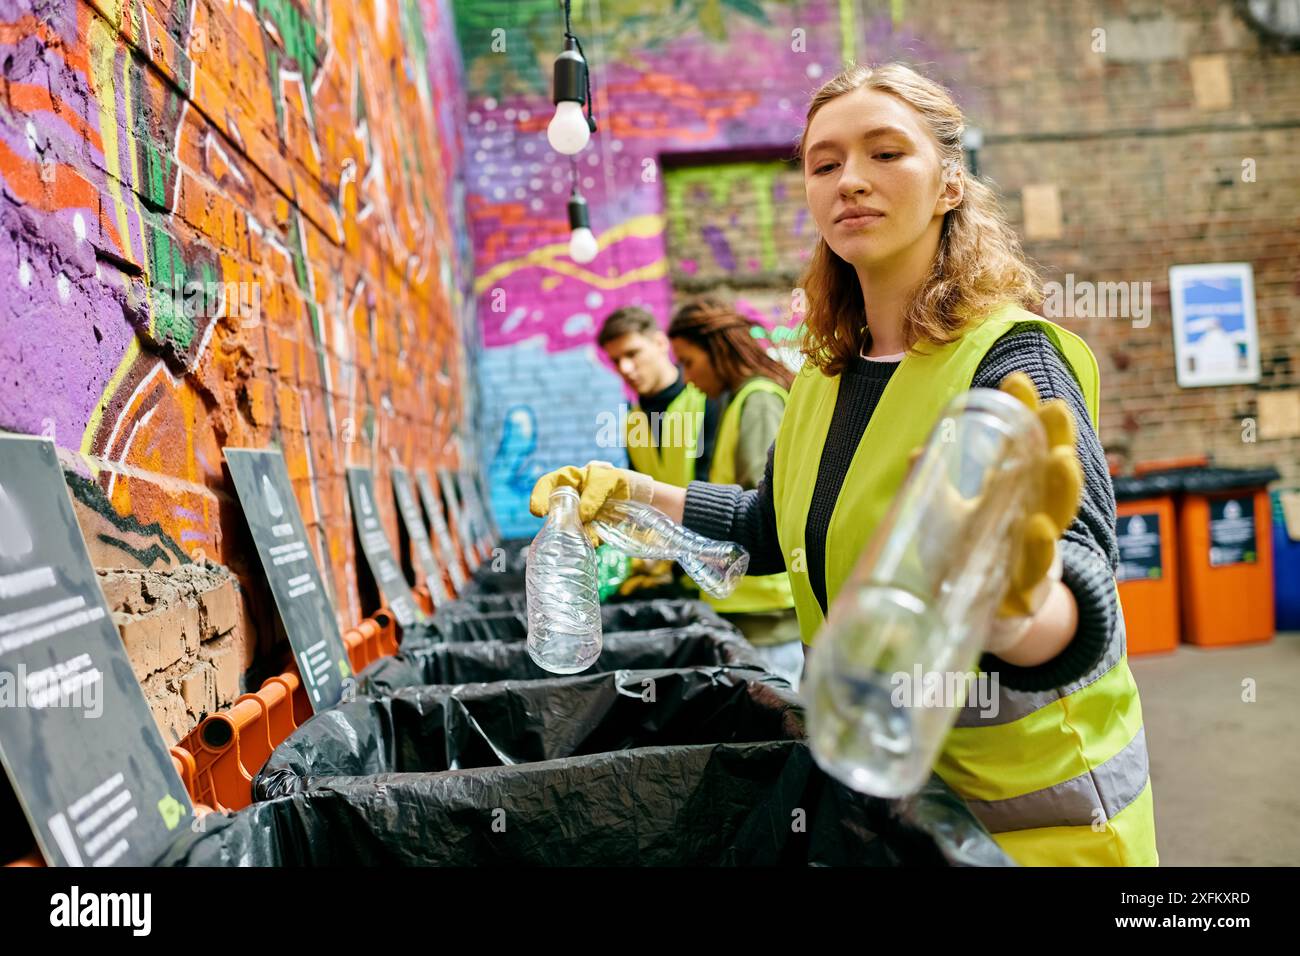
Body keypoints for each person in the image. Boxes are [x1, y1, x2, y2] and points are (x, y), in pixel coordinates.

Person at [531, 62, 1157, 867]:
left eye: (886, 153)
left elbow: (1081, 576)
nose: (850, 180)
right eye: (825, 164)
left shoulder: (1013, 362)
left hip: (1038, 824)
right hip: (893, 803)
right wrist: (629, 493)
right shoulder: (825, 375)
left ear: (950, 184)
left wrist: (1018, 609)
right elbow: (770, 527)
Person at [664, 299, 802, 687]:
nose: (686, 378)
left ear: (717, 350)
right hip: (748, 608)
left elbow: (764, 509)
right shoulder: (737, 400)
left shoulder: (757, 400)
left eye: (688, 362)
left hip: (771, 618)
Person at [597, 306, 719, 487]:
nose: (625, 368)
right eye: (616, 360)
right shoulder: (632, 420)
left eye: (632, 353)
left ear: (660, 343)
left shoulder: (706, 398)